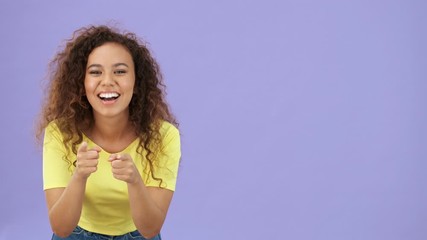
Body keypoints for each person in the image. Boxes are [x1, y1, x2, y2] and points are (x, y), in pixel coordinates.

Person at [37, 25, 181, 240]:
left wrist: (134, 181)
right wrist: (79, 175)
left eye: (120, 71)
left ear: (137, 81)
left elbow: (151, 230)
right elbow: (61, 228)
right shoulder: (60, 133)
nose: (107, 82)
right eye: (95, 72)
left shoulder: (164, 135)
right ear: (81, 82)